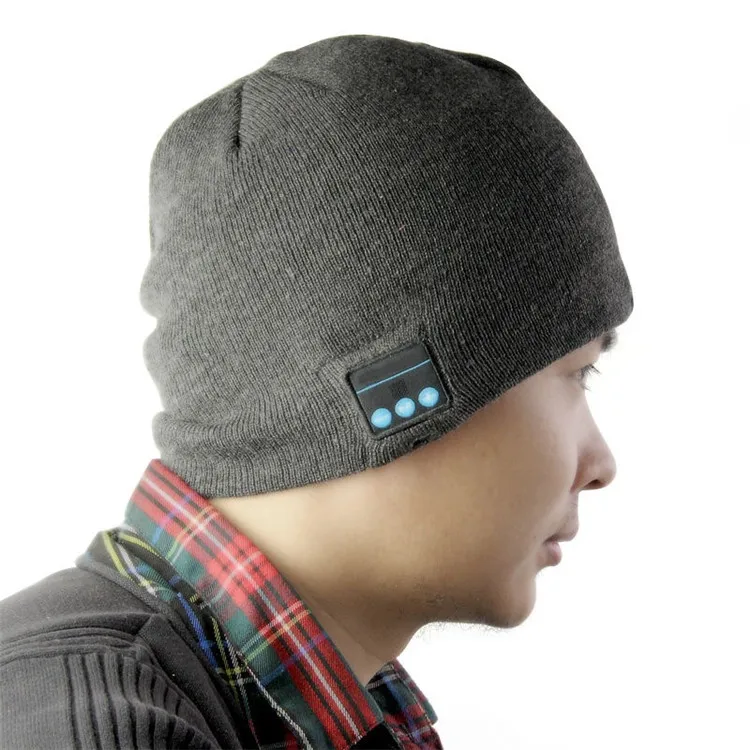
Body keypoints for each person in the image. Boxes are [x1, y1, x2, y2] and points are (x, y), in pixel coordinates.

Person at [0, 33, 634, 750]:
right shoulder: (91, 729)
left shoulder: (302, 709)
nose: (601, 464)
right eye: (576, 373)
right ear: (406, 396)